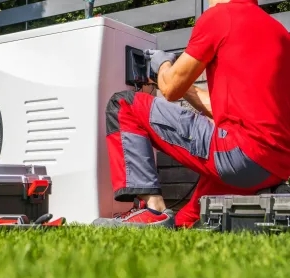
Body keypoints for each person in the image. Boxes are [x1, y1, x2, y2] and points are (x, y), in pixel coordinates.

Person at [93, 0, 290, 228]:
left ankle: (152, 210)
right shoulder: (280, 33)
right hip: (274, 168)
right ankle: (270, 192)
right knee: (186, 222)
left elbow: (169, 89)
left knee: (123, 104)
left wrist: (163, 64)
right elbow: (231, 108)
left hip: (238, 155)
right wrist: (179, 79)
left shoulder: (220, 16)